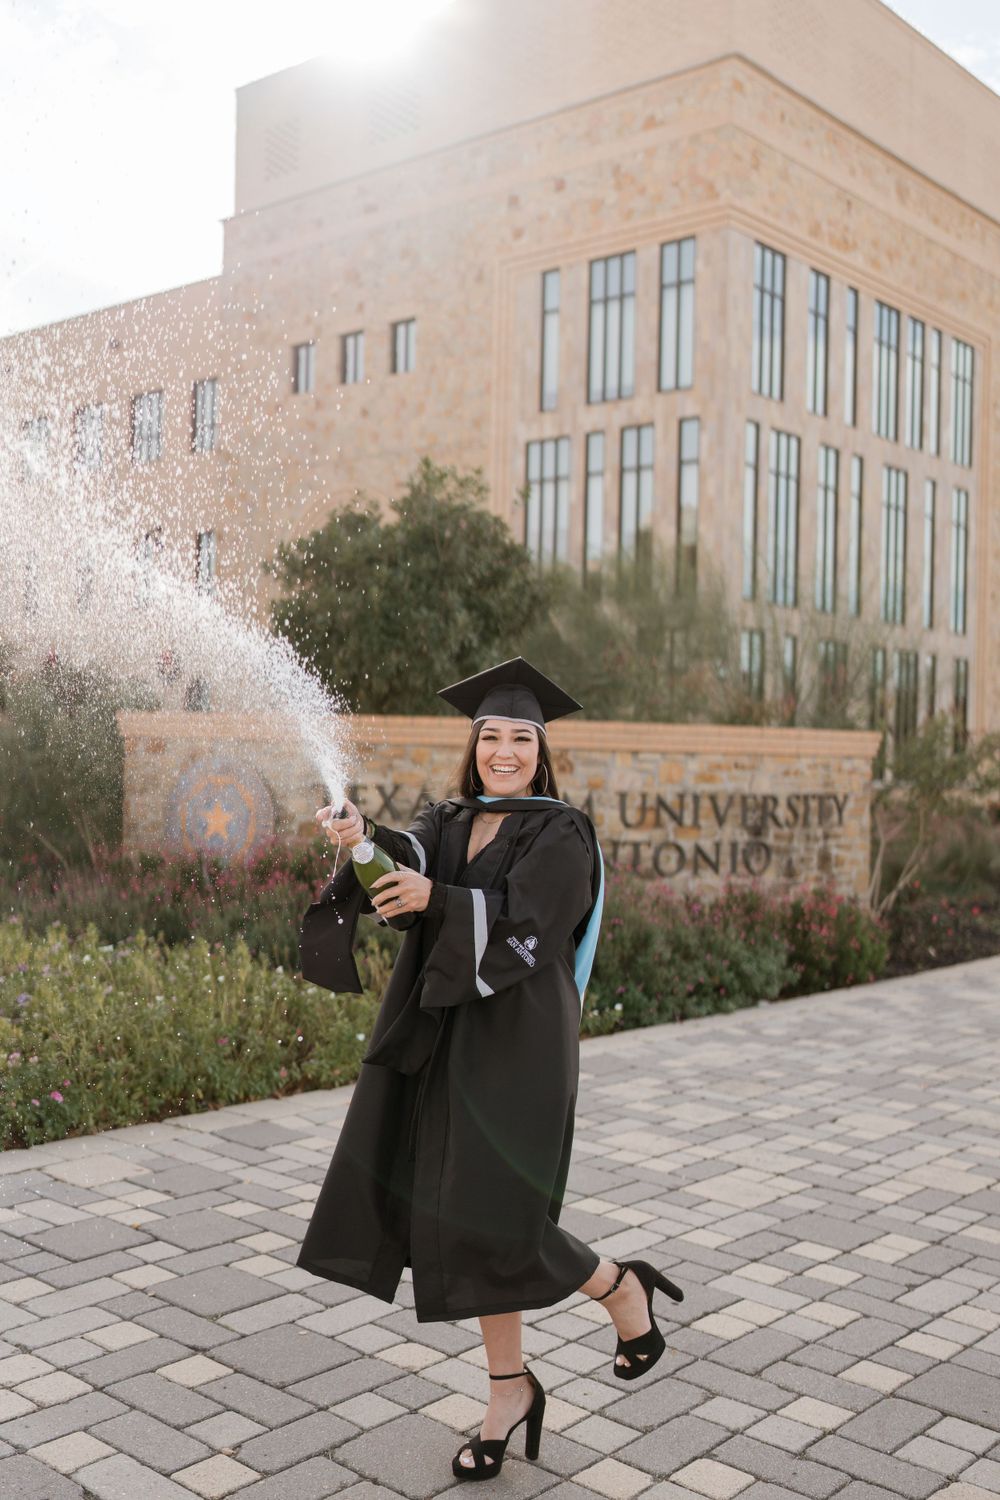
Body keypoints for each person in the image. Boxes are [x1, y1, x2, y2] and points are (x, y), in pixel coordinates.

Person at [297, 658, 683, 1481]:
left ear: (541, 753)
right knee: (460, 1219)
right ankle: (509, 1390)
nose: (502, 752)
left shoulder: (561, 833)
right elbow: (406, 860)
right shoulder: (448, 818)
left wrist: (432, 897)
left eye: (519, 738)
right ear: (472, 747)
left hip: (518, 1045)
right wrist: (362, 841)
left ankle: (621, 1290)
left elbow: (529, 922)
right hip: (445, 1036)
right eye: (489, 738)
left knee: (498, 1219)